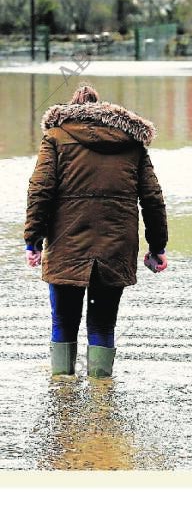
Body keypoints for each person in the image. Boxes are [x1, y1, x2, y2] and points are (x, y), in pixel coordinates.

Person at [24, 84, 168, 378]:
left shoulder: (56, 137)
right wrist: (157, 246)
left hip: (66, 246)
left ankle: (62, 393)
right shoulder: (132, 142)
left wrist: (33, 240)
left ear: (70, 108)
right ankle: (102, 395)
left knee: (63, 323)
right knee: (103, 324)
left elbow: (40, 191)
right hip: (115, 246)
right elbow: (153, 198)